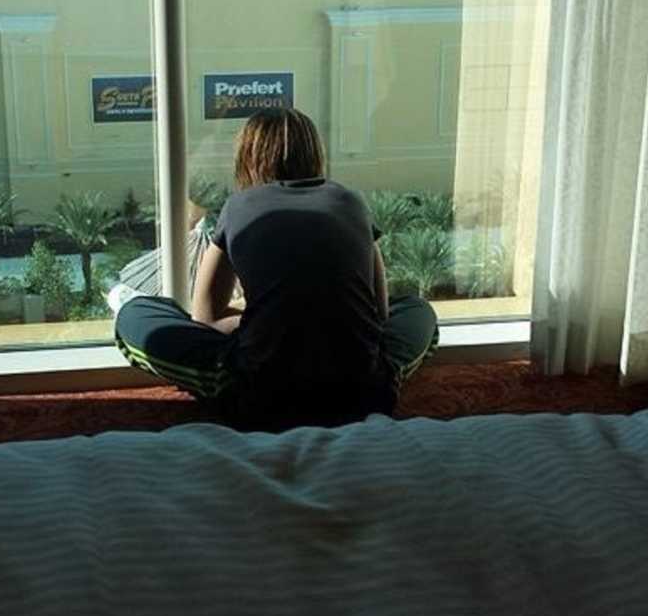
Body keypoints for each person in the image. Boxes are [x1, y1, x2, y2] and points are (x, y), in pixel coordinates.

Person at [111, 108, 439, 431]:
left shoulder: (239, 206)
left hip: (259, 401)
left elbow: (205, 317)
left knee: (136, 314)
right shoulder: (350, 202)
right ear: (315, 154)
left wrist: (267, 315)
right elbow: (379, 315)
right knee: (416, 310)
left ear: (246, 158)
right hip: (362, 394)